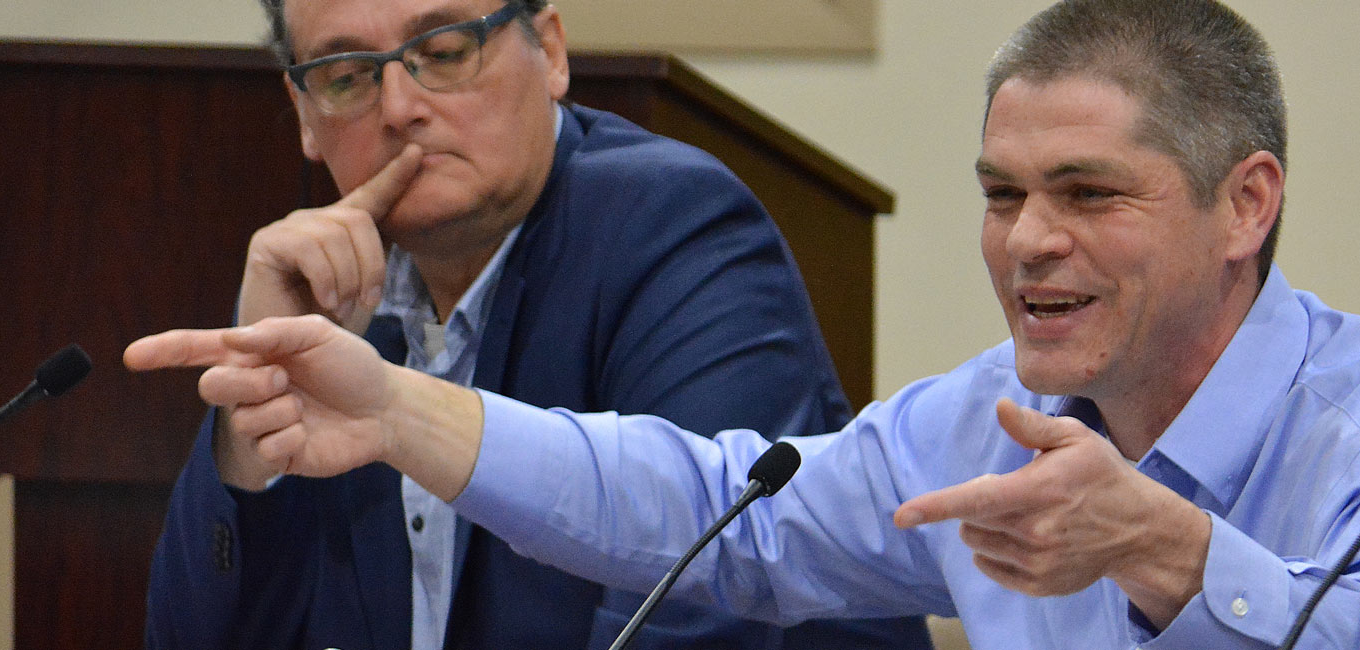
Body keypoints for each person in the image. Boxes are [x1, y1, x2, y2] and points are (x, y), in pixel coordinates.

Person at [129, 0, 1360, 647]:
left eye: (1087, 192)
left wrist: (1173, 553)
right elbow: (719, 510)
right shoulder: (987, 422)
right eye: (1002, 194)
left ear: (1245, 202)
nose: (1028, 240)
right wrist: (397, 411)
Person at [142, 0, 934, 648]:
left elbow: (699, 612)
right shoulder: (327, 299)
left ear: (550, 51)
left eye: (443, 51)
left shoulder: (674, 227)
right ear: (304, 115)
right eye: (347, 76)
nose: (400, 108)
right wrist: (251, 423)